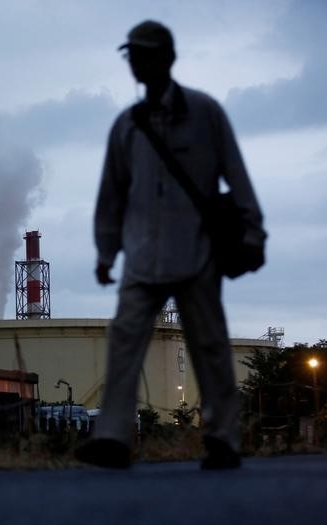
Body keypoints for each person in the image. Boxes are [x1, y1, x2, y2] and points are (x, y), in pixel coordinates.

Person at [75, 20, 266, 469]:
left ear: (168, 58)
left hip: (197, 252)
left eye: (144, 54)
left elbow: (237, 178)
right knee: (123, 342)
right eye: (132, 56)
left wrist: (253, 233)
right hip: (142, 256)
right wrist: (106, 253)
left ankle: (222, 438)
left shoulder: (206, 114)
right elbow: (111, 195)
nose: (137, 63)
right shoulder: (127, 126)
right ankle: (115, 439)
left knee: (211, 345)